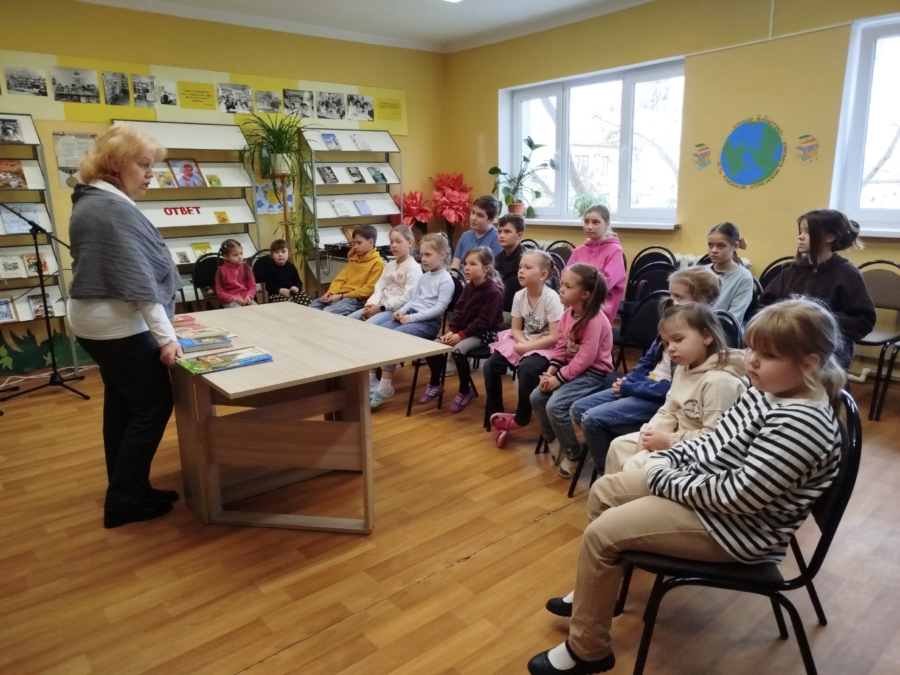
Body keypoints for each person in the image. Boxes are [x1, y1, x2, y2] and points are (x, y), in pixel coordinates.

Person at [529, 298, 844, 675]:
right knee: (605, 491)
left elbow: (738, 497)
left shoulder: (801, 424)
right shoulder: (769, 391)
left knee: (602, 535)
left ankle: (588, 649)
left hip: (737, 529)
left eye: (768, 355)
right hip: (710, 497)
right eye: (752, 349)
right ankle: (600, 591)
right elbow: (714, 441)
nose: (752, 362)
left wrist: (662, 476)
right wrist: (668, 458)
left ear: (809, 363)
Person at [67, 123, 182, 529]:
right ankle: (124, 501)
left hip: (98, 322)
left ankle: (130, 488)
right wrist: (167, 339)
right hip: (117, 325)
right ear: (116, 164)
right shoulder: (110, 210)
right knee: (153, 405)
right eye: (144, 165)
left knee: (123, 403)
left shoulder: (93, 200)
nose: (151, 174)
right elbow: (139, 284)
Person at [568, 266, 722, 478]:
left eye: (678, 297)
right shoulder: (673, 323)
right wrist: (627, 381)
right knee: (578, 408)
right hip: (643, 387)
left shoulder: (695, 343)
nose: (672, 301)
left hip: (656, 396)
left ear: (701, 300)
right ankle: (612, 453)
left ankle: (607, 472)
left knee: (592, 420)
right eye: (670, 295)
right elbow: (648, 360)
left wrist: (630, 388)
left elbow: (671, 390)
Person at [603, 300, 747, 475]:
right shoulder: (683, 367)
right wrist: (647, 433)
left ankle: (624, 489)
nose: (670, 349)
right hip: (675, 435)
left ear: (707, 336)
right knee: (618, 446)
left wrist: (668, 441)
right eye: (666, 343)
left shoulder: (720, 382)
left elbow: (716, 438)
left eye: (678, 339)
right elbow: (668, 410)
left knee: (635, 465)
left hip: (697, 454)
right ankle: (615, 489)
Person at [760, 209, 875, 369]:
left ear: (829, 237)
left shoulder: (847, 273)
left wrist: (818, 321)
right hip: (787, 343)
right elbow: (766, 303)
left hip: (828, 351)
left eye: (808, 231)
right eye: (801, 231)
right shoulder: (792, 271)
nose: (800, 236)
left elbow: (863, 320)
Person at [530, 263, 614, 468]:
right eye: (562, 284)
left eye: (567, 286)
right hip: (571, 368)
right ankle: (553, 440)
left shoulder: (594, 319)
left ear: (584, 294)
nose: (561, 289)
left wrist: (559, 379)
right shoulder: (568, 314)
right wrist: (549, 373)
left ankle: (574, 453)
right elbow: (561, 347)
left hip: (593, 373)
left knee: (555, 406)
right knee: (537, 397)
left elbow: (586, 358)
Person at [486, 251, 563, 447]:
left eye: (528, 268)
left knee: (527, 369)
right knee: (490, 365)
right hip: (524, 341)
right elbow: (515, 328)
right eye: (520, 267)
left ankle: (522, 416)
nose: (521, 271)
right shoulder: (519, 295)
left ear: (543, 275)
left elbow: (554, 337)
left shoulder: (551, 298)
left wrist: (527, 347)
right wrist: (522, 344)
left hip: (546, 345)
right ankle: (496, 412)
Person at [369, 233, 455, 407]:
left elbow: (438, 309)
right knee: (377, 332)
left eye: (428, 254)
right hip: (411, 316)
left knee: (393, 337)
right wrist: (400, 311)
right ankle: (371, 380)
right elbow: (414, 300)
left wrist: (411, 317)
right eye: (422, 254)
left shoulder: (446, 280)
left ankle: (385, 387)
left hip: (428, 324)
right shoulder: (424, 276)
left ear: (442, 255)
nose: (423, 259)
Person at [424, 247, 505, 413]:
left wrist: (460, 336)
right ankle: (435, 383)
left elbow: (483, 322)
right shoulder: (468, 286)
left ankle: (465, 390)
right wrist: (452, 331)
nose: (466, 267)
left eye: (473, 264)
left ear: (486, 268)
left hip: (485, 334)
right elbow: (459, 311)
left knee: (458, 351)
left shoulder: (493, 292)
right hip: (465, 331)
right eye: (466, 263)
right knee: (432, 346)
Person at [565, 205, 626, 323]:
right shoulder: (578, 251)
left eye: (595, 222)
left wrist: (578, 291)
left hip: (600, 304)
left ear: (607, 224)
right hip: (576, 300)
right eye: (586, 222)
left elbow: (606, 283)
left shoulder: (615, 250)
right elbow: (565, 276)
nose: (589, 227)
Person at [349, 225, 422, 322]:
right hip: (379, 305)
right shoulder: (389, 265)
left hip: (395, 310)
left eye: (398, 241)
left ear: (410, 243)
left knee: (367, 325)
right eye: (391, 242)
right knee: (348, 320)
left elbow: (407, 298)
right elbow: (379, 288)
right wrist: (371, 304)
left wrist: (381, 307)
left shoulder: (414, 268)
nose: (394, 245)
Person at [309, 224, 385, 316]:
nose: (355, 246)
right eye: (354, 243)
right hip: (340, 295)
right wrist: (331, 292)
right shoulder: (354, 258)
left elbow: (368, 290)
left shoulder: (378, 263)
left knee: (328, 313)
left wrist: (341, 296)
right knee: (312, 308)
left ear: (371, 242)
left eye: (359, 243)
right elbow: (340, 279)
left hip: (356, 300)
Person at [705, 221, 754, 320]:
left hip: (725, 327)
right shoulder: (702, 272)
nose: (714, 250)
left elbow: (734, 316)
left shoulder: (744, 277)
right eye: (710, 245)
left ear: (735, 246)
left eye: (720, 246)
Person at [451, 195, 503, 276]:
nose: (473, 218)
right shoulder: (465, 236)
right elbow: (455, 267)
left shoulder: (498, 239)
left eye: (480, 215)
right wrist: (452, 281)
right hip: (461, 281)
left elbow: (490, 273)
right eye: (473, 212)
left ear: (491, 220)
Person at [253, 239, 310, 305]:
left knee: (308, 301)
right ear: (272, 255)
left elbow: (299, 282)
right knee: (288, 303)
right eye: (276, 252)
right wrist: (279, 290)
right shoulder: (269, 268)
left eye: (283, 252)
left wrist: (297, 288)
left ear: (288, 254)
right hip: (276, 294)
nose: (280, 254)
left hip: (293, 293)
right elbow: (269, 287)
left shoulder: (291, 266)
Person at [495, 213, 526, 327]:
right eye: (499, 231)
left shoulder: (526, 259)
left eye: (507, 232)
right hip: (498, 306)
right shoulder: (497, 258)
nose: (502, 235)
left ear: (519, 235)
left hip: (518, 311)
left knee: (493, 322)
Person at [215, 239, 257, 308]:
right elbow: (220, 292)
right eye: (235, 255)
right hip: (230, 301)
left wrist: (249, 296)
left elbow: (252, 286)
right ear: (226, 257)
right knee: (239, 311)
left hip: (246, 298)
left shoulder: (247, 268)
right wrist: (234, 299)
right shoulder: (221, 271)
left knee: (257, 310)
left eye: (241, 253)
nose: (240, 257)